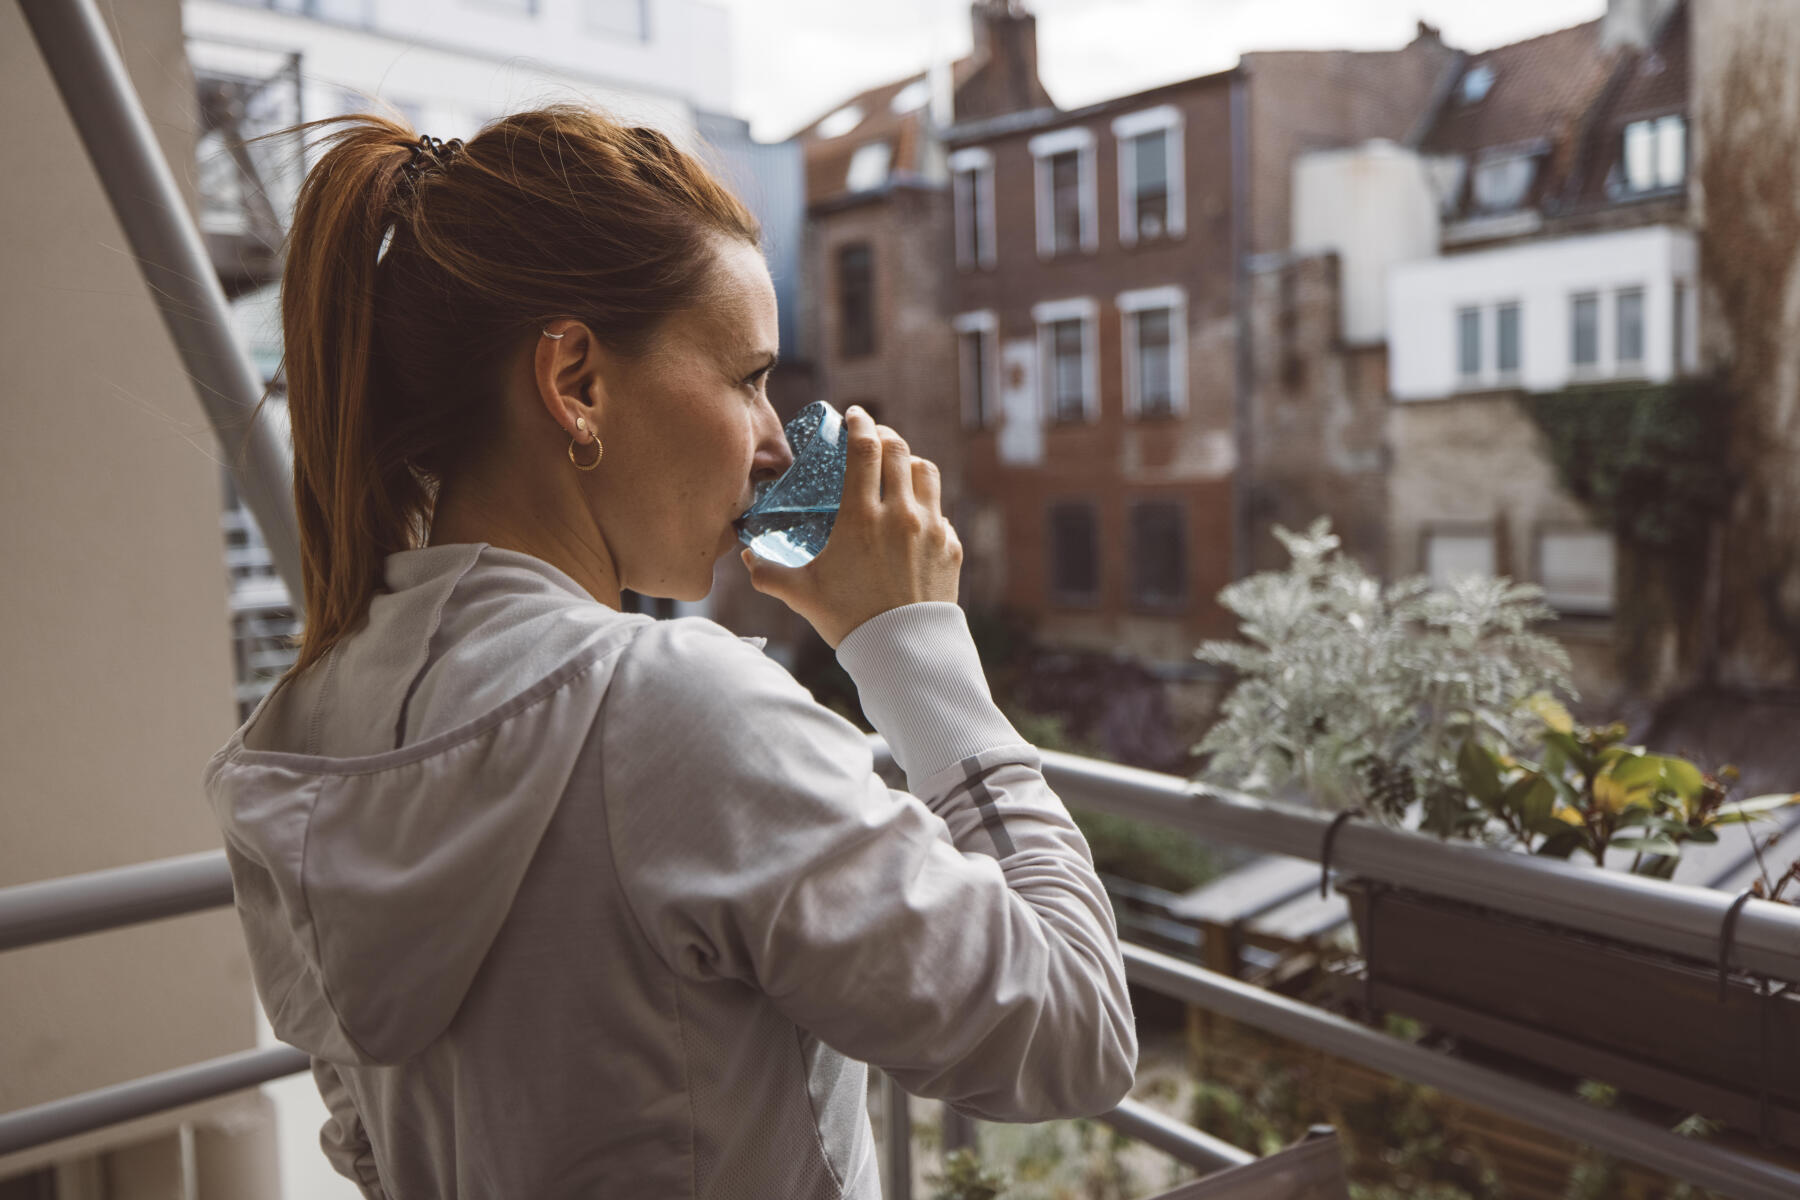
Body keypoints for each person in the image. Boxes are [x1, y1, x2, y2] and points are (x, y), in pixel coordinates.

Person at [203, 104, 1136, 1199]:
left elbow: (371, 1154)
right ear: (577, 385)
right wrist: (914, 649)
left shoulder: (302, 734)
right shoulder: (673, 710)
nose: (779, 440)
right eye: (746, 377)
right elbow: (1075, 1031)